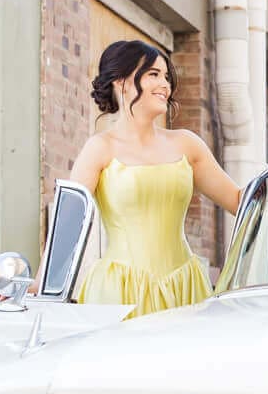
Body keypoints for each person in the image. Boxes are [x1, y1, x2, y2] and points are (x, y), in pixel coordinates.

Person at [67, 39, 244, 318]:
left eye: (166, 76)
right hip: (120, 292)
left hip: (184, 288)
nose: (166, 84)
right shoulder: (100, 148)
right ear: (121, 82)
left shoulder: (187, 144)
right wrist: (38, 284)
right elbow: (69, 224)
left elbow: (239, 202)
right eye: (153, 74)